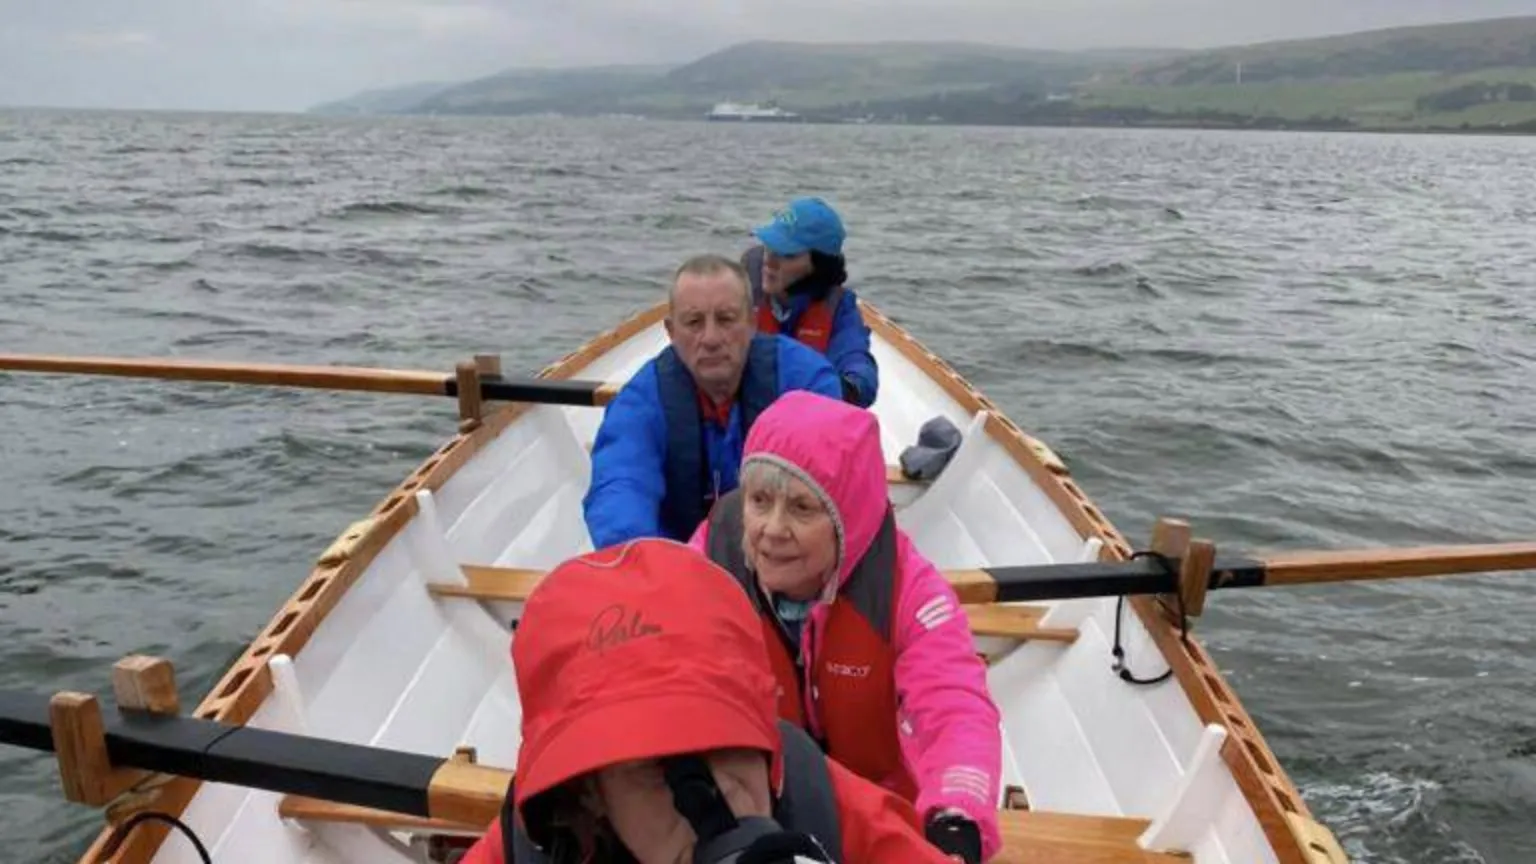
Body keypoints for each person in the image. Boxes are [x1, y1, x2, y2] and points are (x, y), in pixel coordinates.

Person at [455, 537, 966, 864]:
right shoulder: (525, 850)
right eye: (658, 770)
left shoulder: (826, 809)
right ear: (589, 795)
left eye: (730, 746)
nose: (717, 800)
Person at [687, 390, 1003, 864]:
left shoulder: (908, 592)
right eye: (759, 501)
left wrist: (957, 818)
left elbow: (955, 706)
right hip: (751, 805)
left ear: (846, 519)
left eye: (801, 509)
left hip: (880, 814)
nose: (772, 529)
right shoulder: (709, 563)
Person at [582, 253, 843, 550]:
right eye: (694, 322)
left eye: (725, 319)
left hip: (782, 562)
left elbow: (833, 489)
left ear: (752, 322)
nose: (710, 338)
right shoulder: (641, 402)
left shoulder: (806, 382)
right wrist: (643, 564)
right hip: (678, 570)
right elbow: (620, 486)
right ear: (671, 332)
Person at [741, 197, 879, 409]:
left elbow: (857, 362)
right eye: (769, 246)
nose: (769, 261)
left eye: (787, 254)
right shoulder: (738, 287)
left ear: (819, 266)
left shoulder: (839, 309)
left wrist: (849, 388)